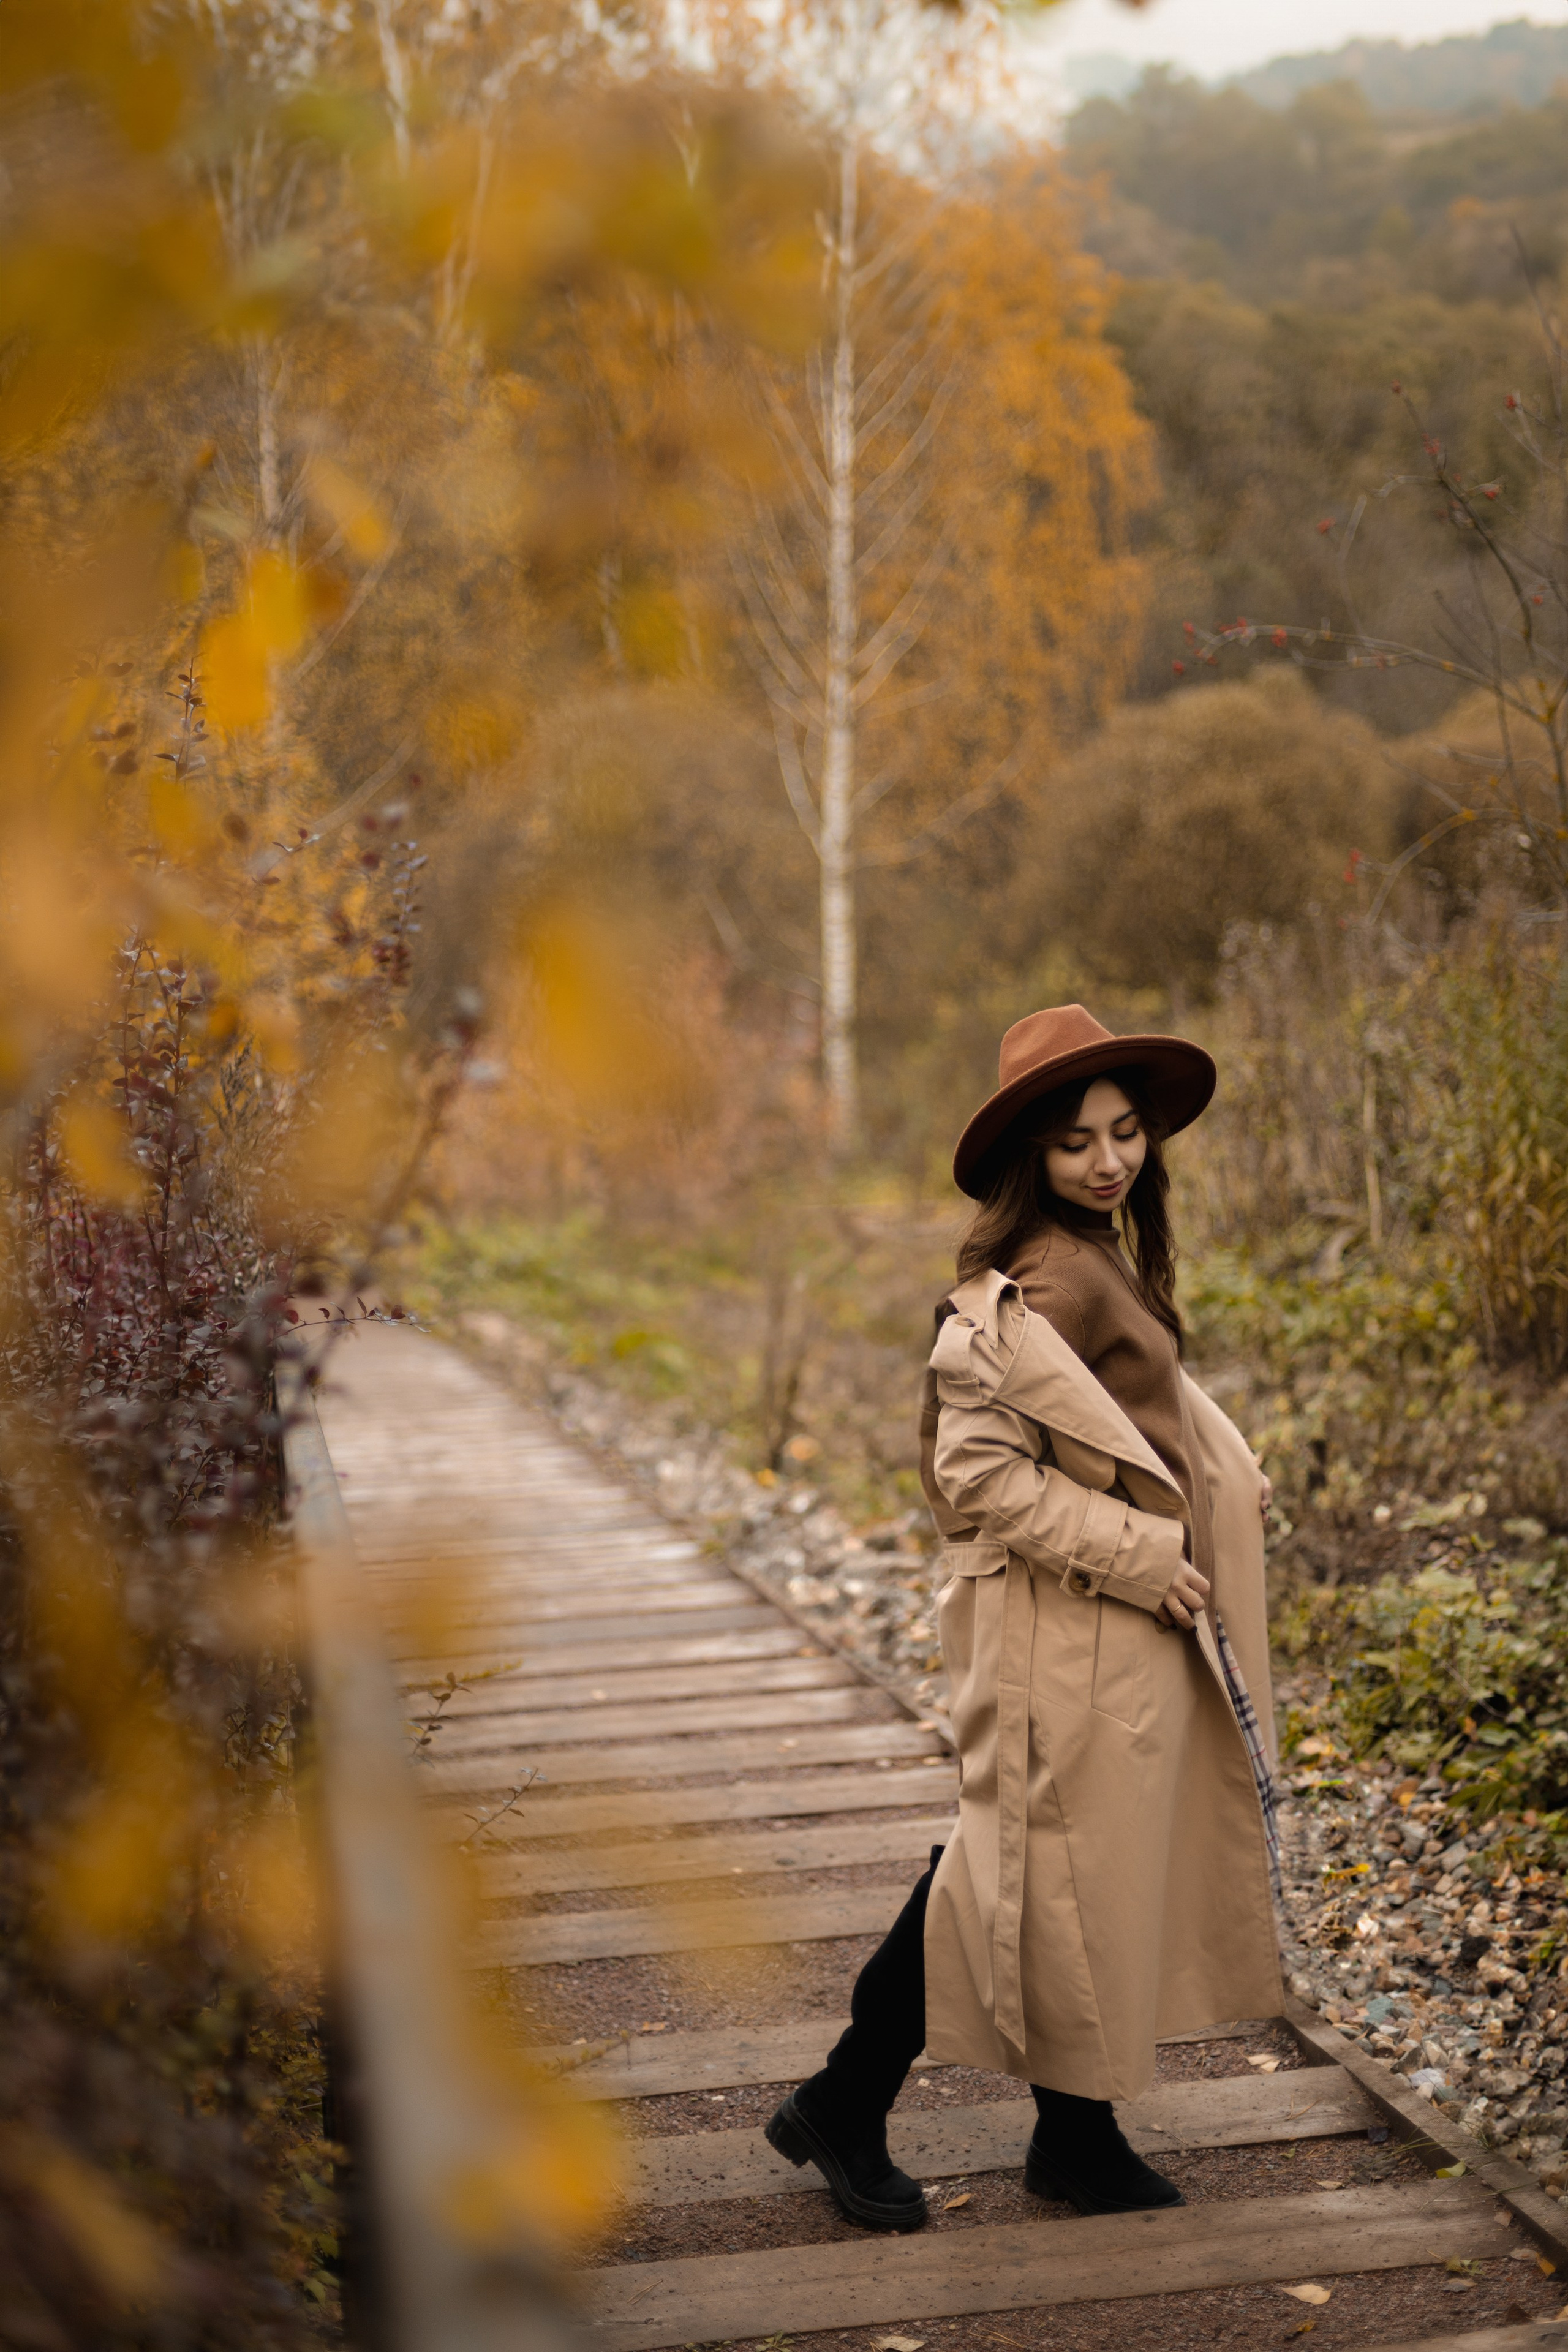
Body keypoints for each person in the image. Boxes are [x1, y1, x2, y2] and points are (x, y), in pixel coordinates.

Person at [766, 1003, 1283, 2230]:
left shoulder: (1095, 1250)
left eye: (1122, 1133)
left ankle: (1072, 2136)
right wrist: (1140, 1551)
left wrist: (1220, 1460)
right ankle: (845, 2103)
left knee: (1069, 1873)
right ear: (1028, 1161)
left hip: (1110, 1622)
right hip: (1069, 1623)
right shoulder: (1029, 1283)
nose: (1106, 1160)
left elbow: (1124, 1400)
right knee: (1002, 1869)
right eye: (1072, 1143)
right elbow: (978, 1476)